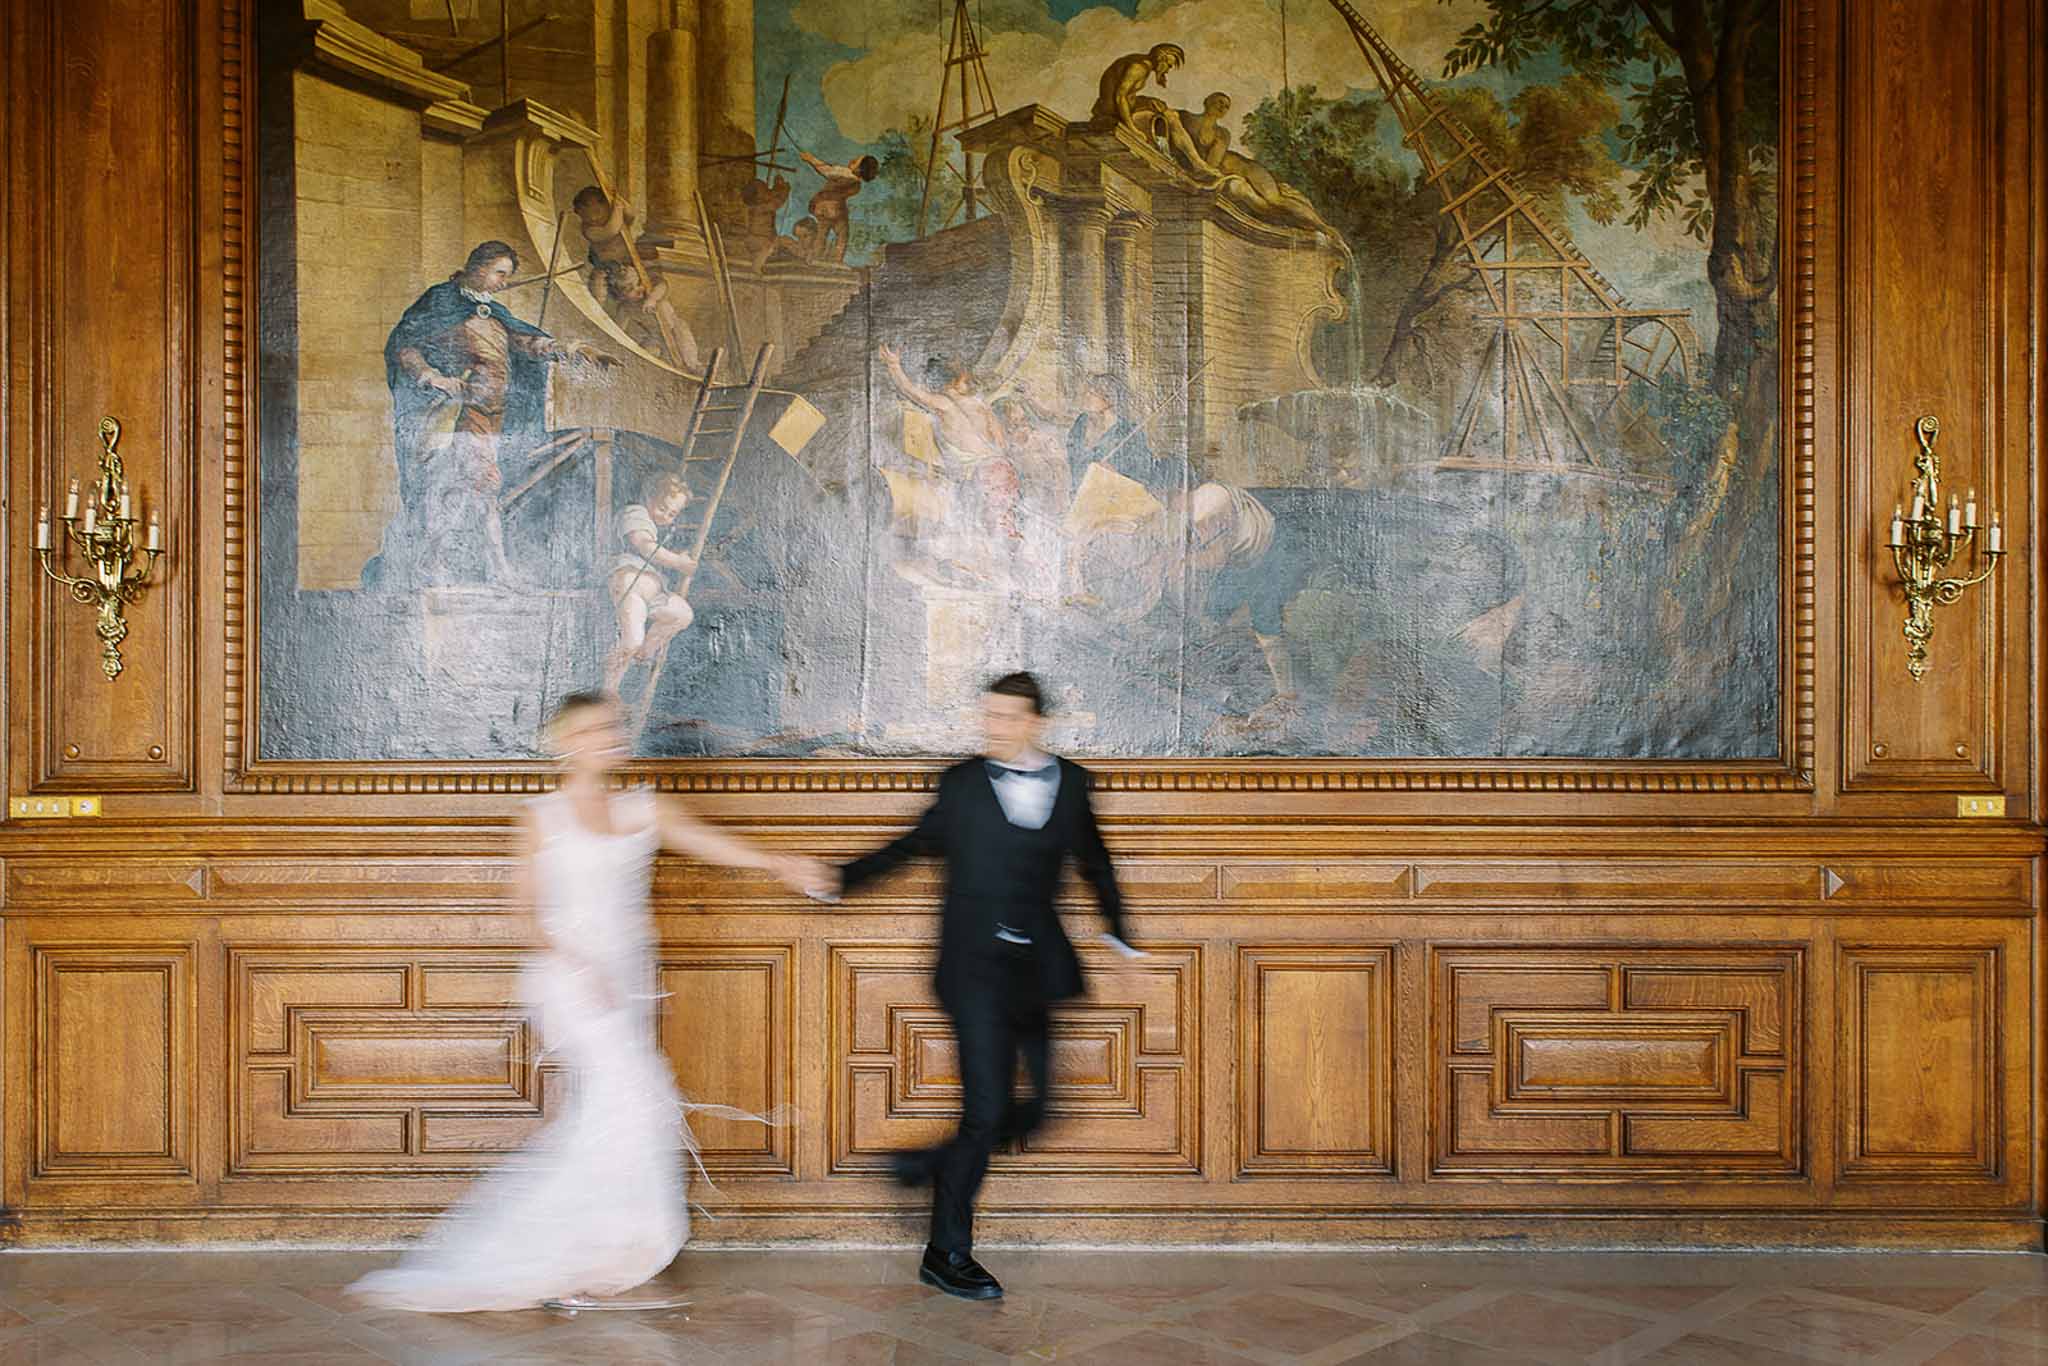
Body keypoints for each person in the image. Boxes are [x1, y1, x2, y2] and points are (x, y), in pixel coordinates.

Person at [347, 692, 827, 1312]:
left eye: (613, 726)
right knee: (632, 1096)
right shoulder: (540, 817)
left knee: (612, 1109)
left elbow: (715, 845)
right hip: (568, 979)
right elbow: (523, 915)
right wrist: (577, 964)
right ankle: (557, 1250)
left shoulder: (642, 807)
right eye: (595, 729)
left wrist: (781, 864)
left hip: (630, 980)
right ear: (566, 743)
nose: (611, 736)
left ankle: (603, 1246)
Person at [812, 672, 1141, 1301]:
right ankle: (948, 1252)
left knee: (1043, 1110)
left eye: (1006, 718)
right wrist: (842, 878)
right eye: (987, 717)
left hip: (1039, 971)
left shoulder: (1071, 783)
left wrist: (1121, 940)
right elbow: (910, 847)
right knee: (986, 1112)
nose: (993, 728)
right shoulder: (962, 784)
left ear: (1035, 723)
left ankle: (931, 1163)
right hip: (972, 974)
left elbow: (1096, 863)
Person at [371, 241, 618, 588]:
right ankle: (483, 568)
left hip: (491, 415)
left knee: (468, 492)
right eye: (500, 273)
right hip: (455, 414)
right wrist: (434, 377)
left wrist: (573, 351)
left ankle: (450, 564)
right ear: (479, 267)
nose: (503, 282)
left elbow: (528, 343)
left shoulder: (493, 312)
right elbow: (405, 346)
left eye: (507, 276)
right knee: (473, 488)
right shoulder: (441, 302)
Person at [605, 470, 698, 696]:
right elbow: (646, 547)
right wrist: (678, 562)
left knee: (683, 615)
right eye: (662, 507)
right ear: (649, 497)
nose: (666, 516)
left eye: (672, 514)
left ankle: (646, 651)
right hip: (631, 588)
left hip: (653, 592)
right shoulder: (634, 513)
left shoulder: (654, 524)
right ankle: (609, 691)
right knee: (631, 640)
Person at [797, 149, 880, 263]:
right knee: (842, 235)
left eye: (855, 161)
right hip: (837, 210)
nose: (851, 160)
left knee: (822, 233)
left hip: (823, 208)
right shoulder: (857, 185)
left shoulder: (845, 173)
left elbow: (825, 169)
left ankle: (814, 258)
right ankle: (837, 260)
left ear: (860, 169)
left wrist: (810, 158)